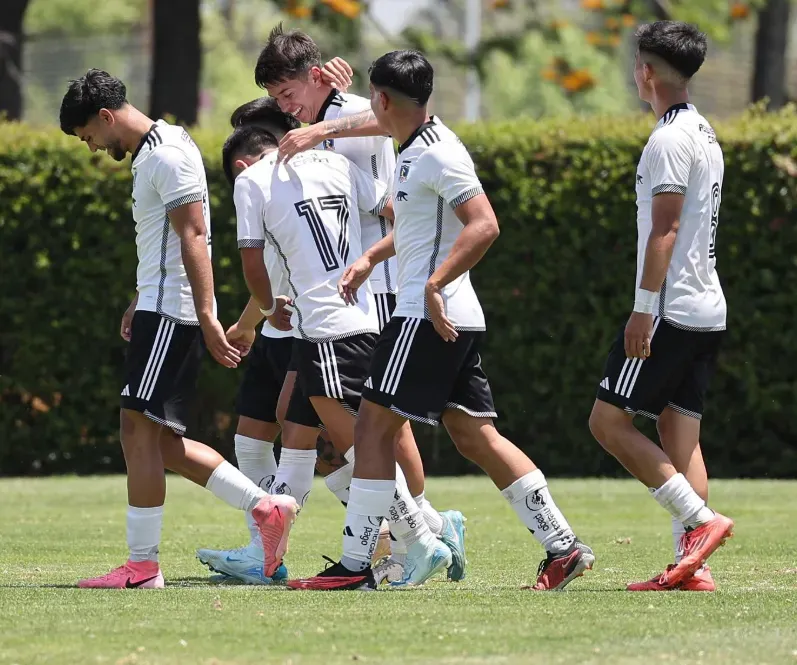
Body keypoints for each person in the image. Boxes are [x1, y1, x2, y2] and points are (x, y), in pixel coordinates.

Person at [287, 50, 594, 592]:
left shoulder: (436, 154)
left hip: (426, 317)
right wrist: (369, 260)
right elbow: (422, 227)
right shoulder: (414, 146)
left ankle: (357, 564)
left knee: (372, 429)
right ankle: (563, 547)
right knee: (475, 436)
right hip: (454, 316)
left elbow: (483, 225)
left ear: (382, 100)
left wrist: (432, 284)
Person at [59, 70, 296, 589]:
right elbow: (167, 242)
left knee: (134, 429)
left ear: (105, 117)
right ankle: (267, 508)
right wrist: (138, 298)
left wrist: (208, 316)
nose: (94, 148)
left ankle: (143, 567)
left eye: (89, 138)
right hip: (158, 306)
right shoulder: (156, 150)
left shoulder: (165, 153)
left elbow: (193, 235)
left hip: (172, 313)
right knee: (161, 444)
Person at [254, 26, 466, 583]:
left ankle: (422, 532)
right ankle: (405, 534)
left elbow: (383, 188)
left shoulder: (353, 112)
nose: (285, 108)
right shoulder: (313, 123)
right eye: (277, 100)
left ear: (315, 73)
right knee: (304, 417)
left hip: (374, 286)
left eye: (286, 93)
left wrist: (323, 122)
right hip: (334, 293)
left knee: (376, 424)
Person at [224, 124, 452, 586]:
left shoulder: (250, 182)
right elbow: (400, 214)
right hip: (362, 315)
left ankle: (425, 538)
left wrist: (267, 309)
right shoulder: (335, 162)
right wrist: (367, 262)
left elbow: (252, 262)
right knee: (300, 428)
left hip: (325, 329)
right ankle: (273, 553)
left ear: (243, 163)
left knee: (361, 449)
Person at [196, 97, 386, 584]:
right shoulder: (324, 163)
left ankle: (414, 531)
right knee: (284, 431)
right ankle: (269, 552)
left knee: (349, 436)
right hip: (296, 320)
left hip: (305, 321)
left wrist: (253, 316)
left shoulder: (274, 177)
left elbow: (267, 263)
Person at [587, 21, 733, 592]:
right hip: (706, 308)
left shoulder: (669, 139)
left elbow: (665, 231)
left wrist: (643, 309)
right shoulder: (704, 131)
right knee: (680, 435)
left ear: (647, 72)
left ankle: (700, 525)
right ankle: (692, 567)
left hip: (671, 310)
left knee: (606, 420)